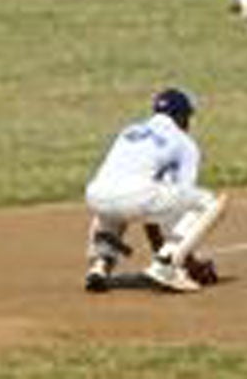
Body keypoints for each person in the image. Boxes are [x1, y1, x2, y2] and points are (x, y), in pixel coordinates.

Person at [83, 88, 227, 294]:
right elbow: (177, 207)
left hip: (95, 196)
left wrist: (158, 247)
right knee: (209, 203)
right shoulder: (184, 143)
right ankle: (166, 266)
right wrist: (187, 263)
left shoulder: (130, 130)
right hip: (137, 197)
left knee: (114, 202)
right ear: (182, 116)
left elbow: (152, 212)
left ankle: (99, 265)